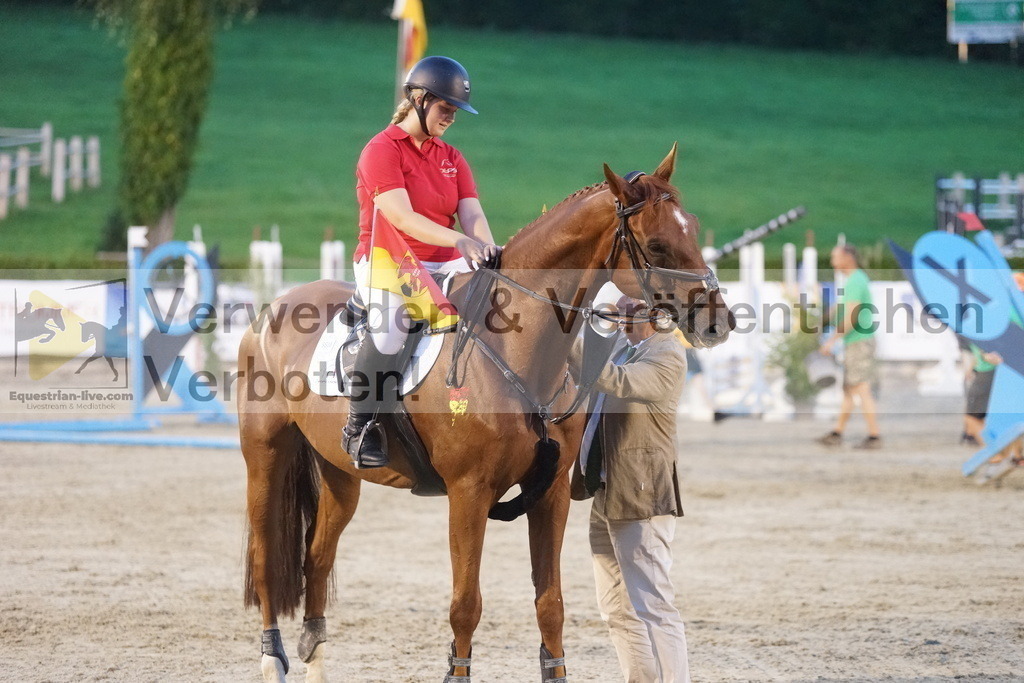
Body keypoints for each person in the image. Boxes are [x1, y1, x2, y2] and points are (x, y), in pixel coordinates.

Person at [345, 56, 500, 468]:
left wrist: (488, 249)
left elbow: (472, 214)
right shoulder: (380, 150)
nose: (451, 117)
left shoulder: (451, 157)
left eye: (455, 111)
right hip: (388, 258)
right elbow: (402, 218)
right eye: (445, 108)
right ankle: (360, 426)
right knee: (394, 327)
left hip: (444, 261)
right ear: (418, 99)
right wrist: (462, 241)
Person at [569, 297, 692, 683]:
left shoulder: (668, 354)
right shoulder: (629, 346)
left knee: (654, 605)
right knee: (615, 608)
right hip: (608, 490)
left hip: (642, 493)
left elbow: (614, 380)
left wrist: (566, 331)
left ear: (656, 315)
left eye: (630, 312)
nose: (622, 319)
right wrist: (589, 320)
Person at [818, 244, 881, 449]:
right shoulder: (855, 279)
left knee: (861, 388)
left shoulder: (855, 280)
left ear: (847, 257)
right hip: (857, 341)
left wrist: (832, 340)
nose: (832, 261)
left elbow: (852, 315)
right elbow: (841, 307)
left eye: (835, 257)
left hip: (859, 341)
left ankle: (874, 436)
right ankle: (838, 432)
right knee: (849, 388)